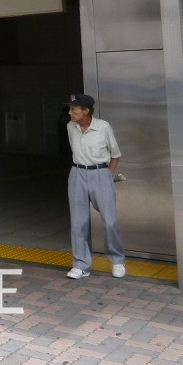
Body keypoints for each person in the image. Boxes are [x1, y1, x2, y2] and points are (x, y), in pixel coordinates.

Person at [64, 93, 125, 279]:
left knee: (110, 220)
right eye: (70, 109)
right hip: (77, 173)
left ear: (86, 111)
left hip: (100, 173)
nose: (69, 112)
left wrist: (107, 175)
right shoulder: (70, 126)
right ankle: (81, 265)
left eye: (73, 109)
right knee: (78, 222)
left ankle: (117, 260)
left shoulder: (103, 127)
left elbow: (115, 155)